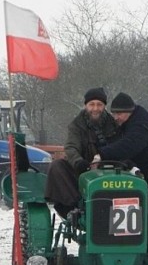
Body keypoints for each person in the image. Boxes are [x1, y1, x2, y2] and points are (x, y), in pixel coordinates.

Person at [44, 87, 118, 217]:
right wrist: (78, 162)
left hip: (112, 169)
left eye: (99, 105)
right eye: (92, 104)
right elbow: (71, 146)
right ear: (85, 105)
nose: (95, 108)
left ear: (104, 106)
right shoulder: (76, 125)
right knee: (57, 166)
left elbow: (122, 145)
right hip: (84, 170)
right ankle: (76, 207)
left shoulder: (114, 124)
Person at [97, 93, 148, 188]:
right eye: (114, 114)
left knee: (146, 198)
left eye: (119, 114)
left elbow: (129, 145)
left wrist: (103, 154)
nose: (116, 118)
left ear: (129, 111)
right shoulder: (130, 121)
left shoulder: (140, 125)